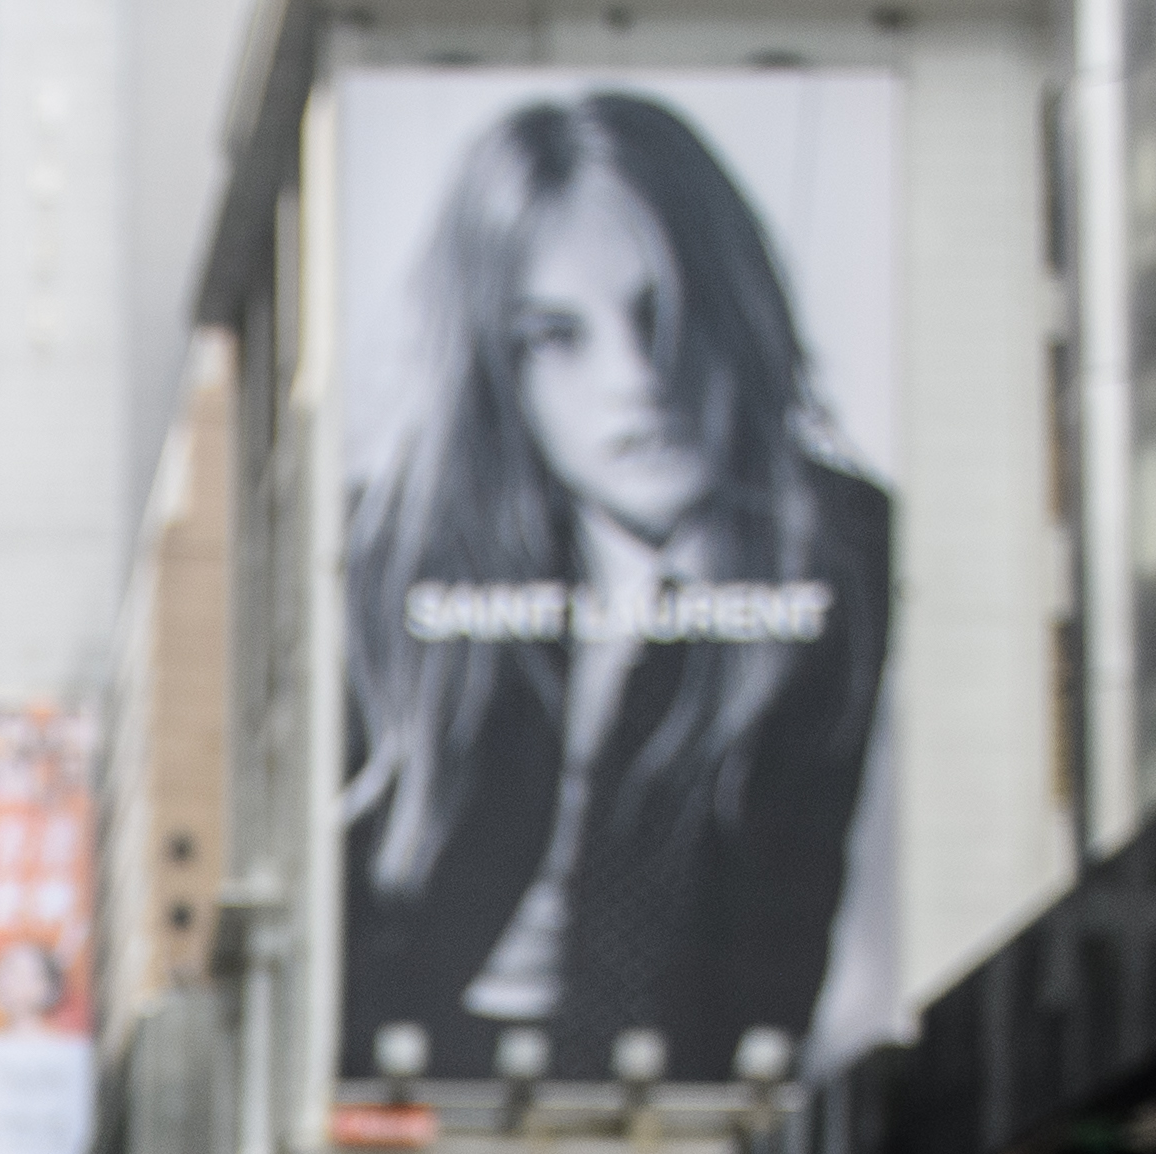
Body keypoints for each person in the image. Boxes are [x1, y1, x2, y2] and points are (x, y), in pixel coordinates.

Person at [341, 87, 894, 1085]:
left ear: (736, 309)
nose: (637, 378)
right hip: (432, 1098)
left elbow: (872, 964)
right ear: (495, 369)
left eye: (664, 312)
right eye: (558, 337)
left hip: (748, 1116)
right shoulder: (399, 558)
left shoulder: (857, 561)